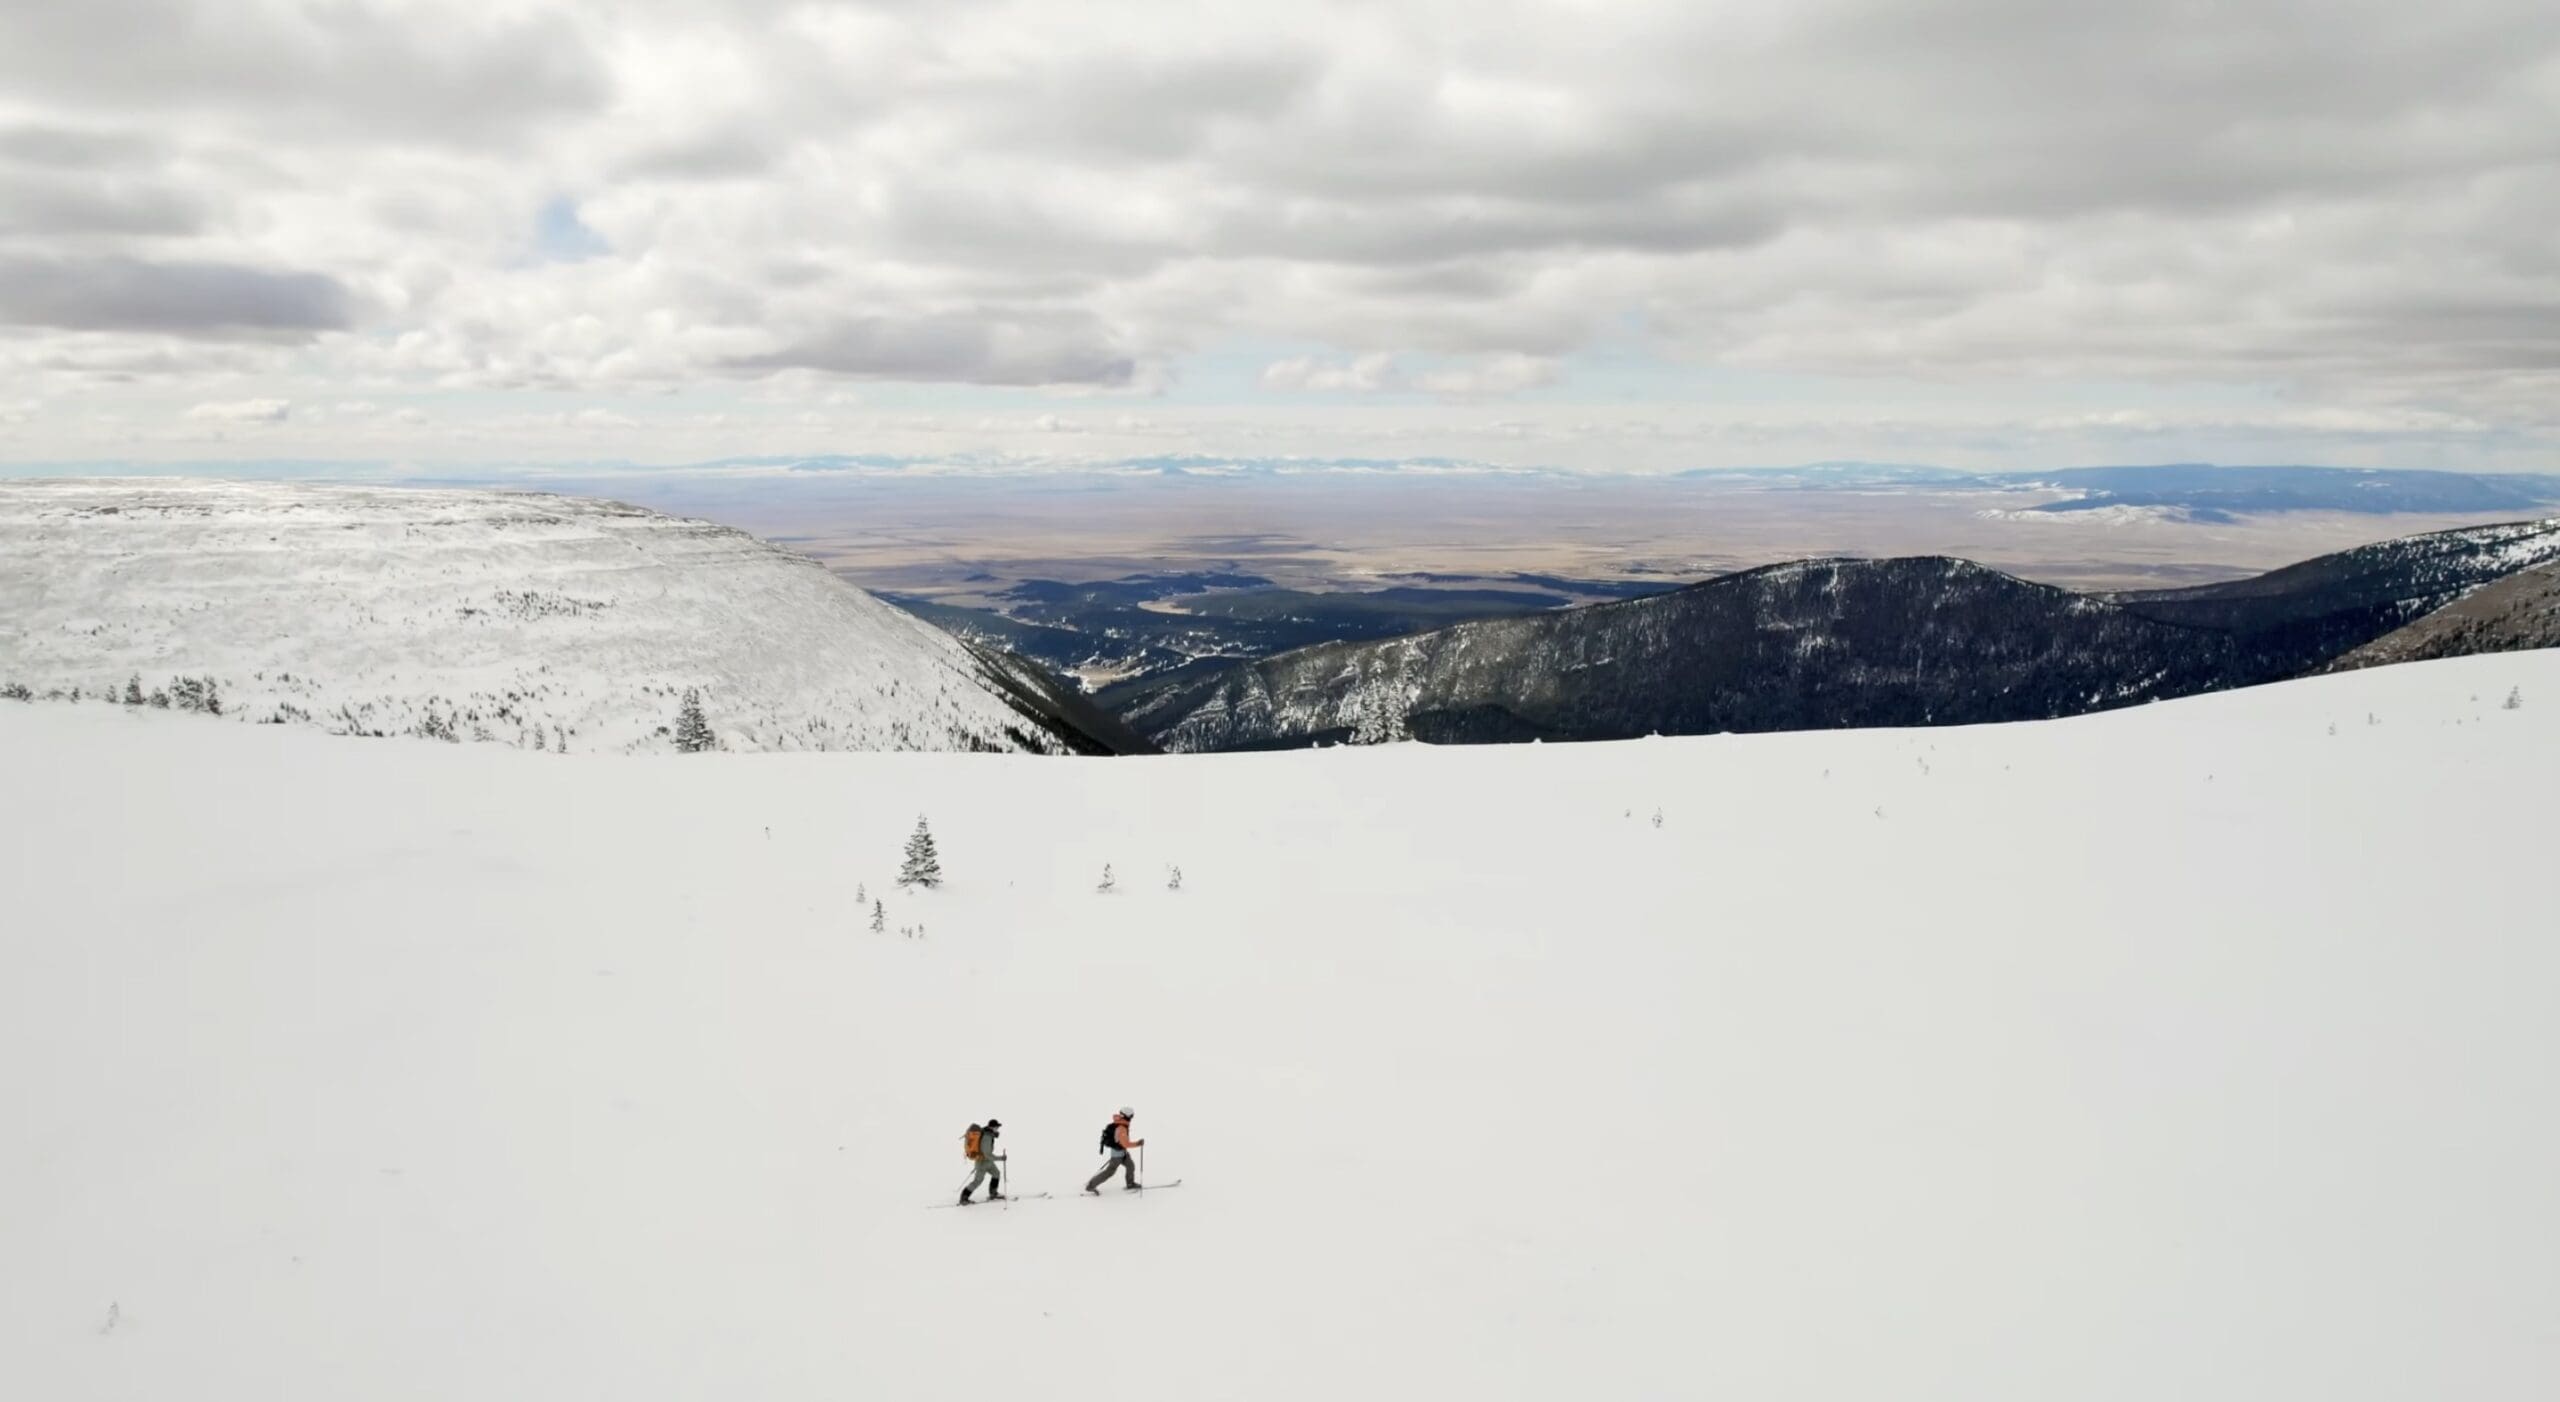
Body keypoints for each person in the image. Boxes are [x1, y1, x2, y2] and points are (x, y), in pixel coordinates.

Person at [1084, 1107, 1143, 1193]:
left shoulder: (1121, 1123)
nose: (1131, 1118)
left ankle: (1130, 1184)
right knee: (1109, 1172)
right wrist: (1138, 1143)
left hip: (1123, 1153)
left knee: (1130, 1166)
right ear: (1127, 1116)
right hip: (1117, 1156)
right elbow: (1125, 1144)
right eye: (1131, 1116)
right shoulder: (1121, 1127)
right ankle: (1091, 1186)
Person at [959, 1118, 1006, 1205]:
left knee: (996, 1174)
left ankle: (993, 1193)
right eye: (997, 1127)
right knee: (977, 1181)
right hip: (982, 1162)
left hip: (988, 1162)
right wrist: (1000, 1158)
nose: (998, 1129)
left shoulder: (989, 1134)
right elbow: (987, 1154)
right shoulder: (987, 1137)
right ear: (992, 1127)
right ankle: (964, 1198)